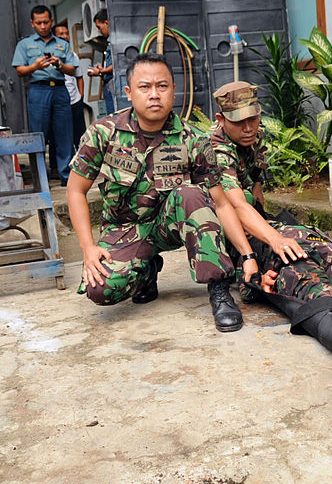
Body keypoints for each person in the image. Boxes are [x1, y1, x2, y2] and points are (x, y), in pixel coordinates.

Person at [67, 53, 258, 333]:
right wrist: (88, 249)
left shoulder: (194, 140)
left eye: (162, 86)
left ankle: (218, 289)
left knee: (191, 193)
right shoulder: (104, 133)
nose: (154, 95)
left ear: (173, 90)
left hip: (169, 225)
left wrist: (247, 255)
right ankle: (146, 270)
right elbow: (75, 190)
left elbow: (221, 204)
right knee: (100, 289)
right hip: (125, 228)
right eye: (145, 87)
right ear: (129, 93)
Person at [210, 81, 332, 358]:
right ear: (221, 120)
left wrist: (279, 230)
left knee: (324, 248)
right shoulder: (215, 149)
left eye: (253, 119)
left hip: (265, 224)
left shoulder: (255, 139)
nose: (248, 128)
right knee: (299, 271)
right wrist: (272, 240)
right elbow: (235, 205)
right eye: (239, 122)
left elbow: (256, 191)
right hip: (230, 239)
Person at [12, 5, 77, 186]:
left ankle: (66, 176)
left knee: (65, 134)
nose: (43, 26)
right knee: (39, 136)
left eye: (46, 22)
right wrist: (35, 67)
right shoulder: (24, 44)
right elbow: (19, 70)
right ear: (32, 23)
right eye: (38, 23)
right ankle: (41, 178)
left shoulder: (62, 44)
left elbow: (72, 70)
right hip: (38, 91)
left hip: (59, 90)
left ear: (52, 21)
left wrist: (58, 65)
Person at [53, 22, 87, 151]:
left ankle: (82, 163)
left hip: (75, 101)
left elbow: (79, 78)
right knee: (61, 136)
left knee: (80, 135)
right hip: (59, 102)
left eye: (67, 33)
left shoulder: (73, 56)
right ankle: (59, 166)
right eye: (61, 34)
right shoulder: (51, 57)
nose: (65, 36)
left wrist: (81, 96)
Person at [87, 9, 115, 115]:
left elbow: (118, 63)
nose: (99, 30)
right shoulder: (109, 41)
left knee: (115, 118)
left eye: (99, 27)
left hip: (113, 85)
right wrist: (102, 69)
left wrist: (100, 72)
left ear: (106, 23)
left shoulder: (115, 41)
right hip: (108, 84)